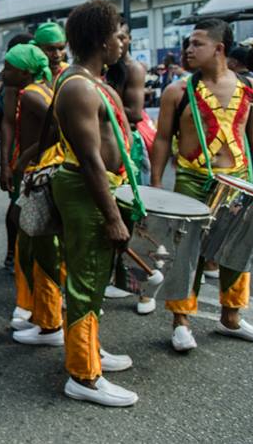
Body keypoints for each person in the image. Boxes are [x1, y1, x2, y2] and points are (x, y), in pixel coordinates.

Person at [151, 18, 253, 350]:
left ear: (219, 48)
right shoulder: (177, 91)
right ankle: (180, 321)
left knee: (237, 248)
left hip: (239, 179)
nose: (188, 49)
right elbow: (161, 140)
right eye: (188, 43)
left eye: (197, 43)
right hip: (192, 180)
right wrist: (155, 186)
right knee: (187, 252)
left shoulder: (251, 89)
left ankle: (232, 316)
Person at [50, 0, 137, 407]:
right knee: (85, 279)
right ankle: (83, 377)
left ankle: (90, 349)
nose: (123, 41)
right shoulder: (79, 87)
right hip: (88, 193)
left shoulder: (90, 80)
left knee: (95, 276)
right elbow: (89, 159)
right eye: (119, 34)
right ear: (103, 40)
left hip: (100, 190)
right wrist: (113, 216)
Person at [1, 45, 65, 346]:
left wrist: (28, 154)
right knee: (34, 248)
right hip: (41, 172)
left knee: (39, 251)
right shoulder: (42, 88)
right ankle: (43, 319)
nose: (4, 72)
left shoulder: (31, 94)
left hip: (39, 174)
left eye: (9, 67)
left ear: (24, 71)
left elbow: (58, 125)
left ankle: (50, 325)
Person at [105, 22, 157, 313]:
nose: (119, 42)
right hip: (110, 147)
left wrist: (99, 98)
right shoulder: (105, 69)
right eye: (114, 37)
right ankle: (122, 279)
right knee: (115, 217)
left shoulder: (133, 69)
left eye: (122, 36)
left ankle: (145, 291)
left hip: (130, 150)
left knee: (137, 219)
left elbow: (135, 113)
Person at [0, 32, 35, 274]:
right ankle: (14, 254)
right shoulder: (10, 89)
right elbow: (6, 124)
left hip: (36, 157)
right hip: (20, 156)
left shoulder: (40, 85)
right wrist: (7, 164)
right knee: (18, 206)